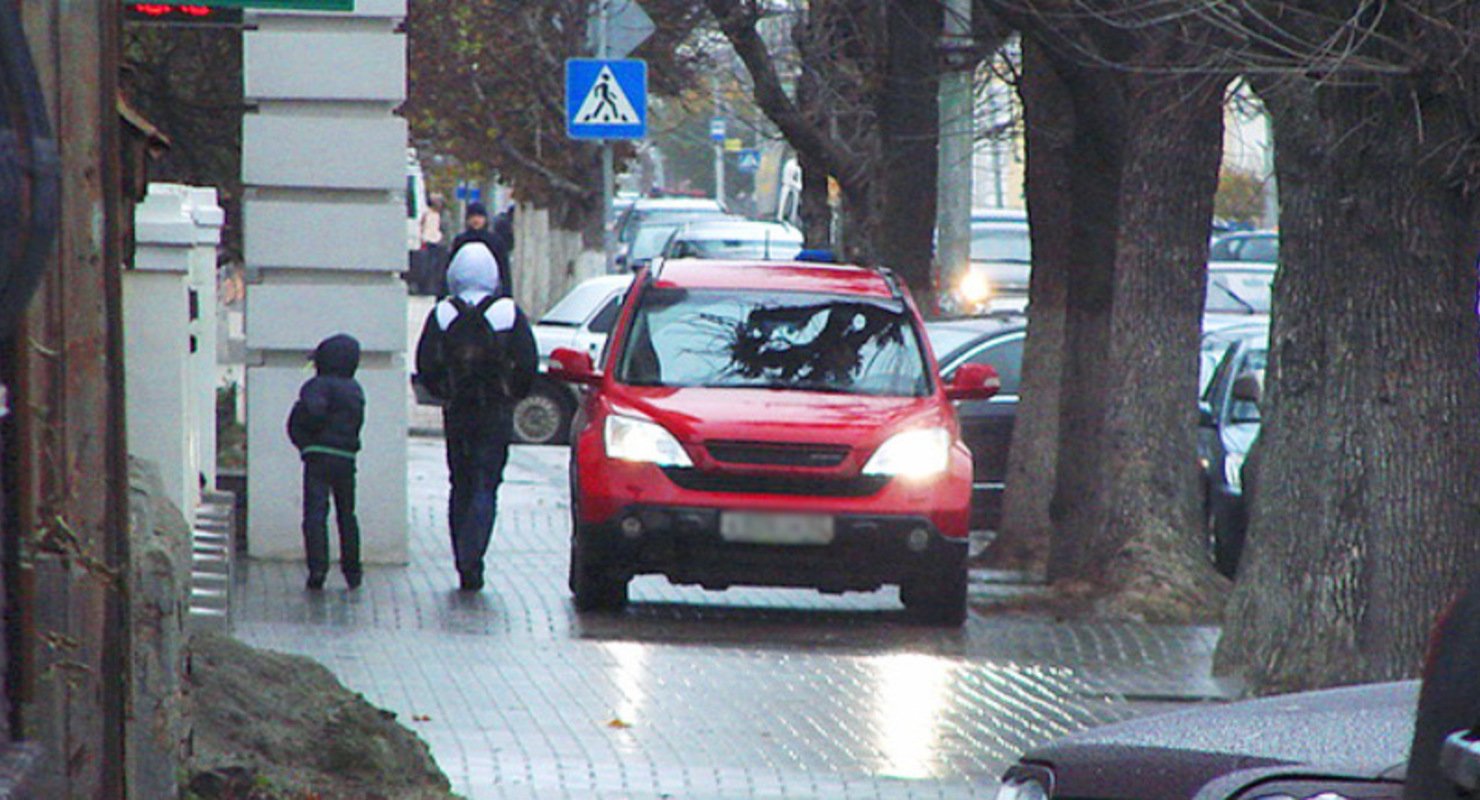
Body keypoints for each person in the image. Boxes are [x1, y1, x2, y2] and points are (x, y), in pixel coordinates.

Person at [414, 242, 537, 591]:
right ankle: (474, 556)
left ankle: (460, 558)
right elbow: (528, 363)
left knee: (460, 483)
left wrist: (445, 393)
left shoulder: (442, 314)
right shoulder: (508, 313)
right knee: (486, 484)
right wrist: (511, 394)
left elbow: (425, 365)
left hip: (457, 412)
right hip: (494, 411)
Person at [287, 333, 366, 590]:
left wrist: (305, 440)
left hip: (318, 456)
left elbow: (310, 412)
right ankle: (352, 570)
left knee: (316, 514)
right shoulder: (355, 389)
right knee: (347, 515)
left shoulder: (317, 386)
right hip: (346, 458)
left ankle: (318, 568)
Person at [450, 201, 513, 299]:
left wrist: (506, 294)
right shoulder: (460, 241)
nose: (476, 220)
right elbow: (451, 268)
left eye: (479, 216)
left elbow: (504, 270)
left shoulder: (495, 241)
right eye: (472, 216)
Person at [414, 193, 446, 295]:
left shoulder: (442, 215)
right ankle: (425, 287)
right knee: (427, 267)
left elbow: (444, 229)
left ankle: (434, 287)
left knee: (437, 267)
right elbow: (422, 226)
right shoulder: (427, 214)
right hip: (428, 242)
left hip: (437, 243)